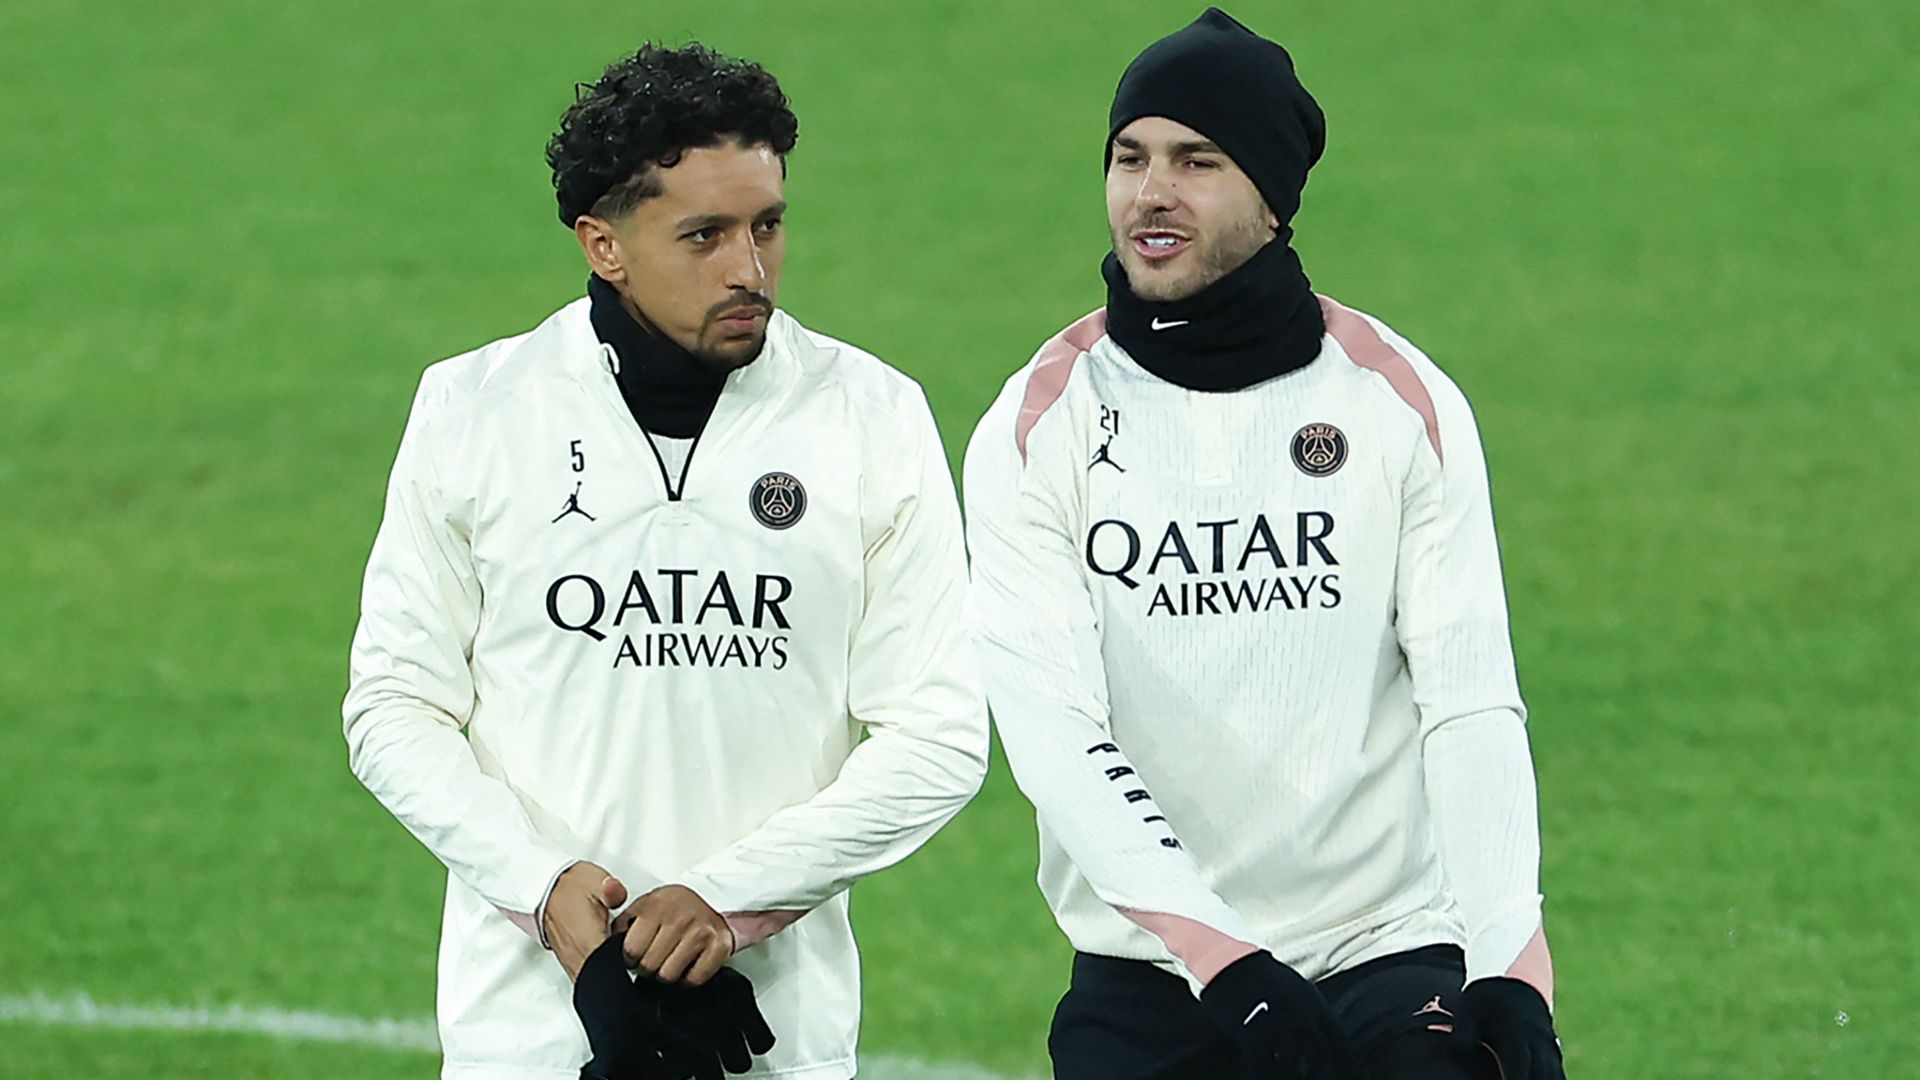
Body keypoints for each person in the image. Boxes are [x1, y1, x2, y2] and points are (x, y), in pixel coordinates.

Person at [343, 41, 988, 1080]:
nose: (750, 270)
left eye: (767, 225)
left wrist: (727, 902)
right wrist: (547, 891)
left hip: (774, 1038)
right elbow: (392, 707)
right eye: (704, 236)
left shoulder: (871, 416)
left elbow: (939, 737)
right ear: (604, 244)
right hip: (528, 1041)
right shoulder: (475, 412)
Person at [964, 10, 1564, 1079]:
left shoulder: (1400, 403)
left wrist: (1513, 968)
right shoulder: (1035, 425)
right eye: (1130, 157)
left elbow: (1470, 703)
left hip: (1385, 952)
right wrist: (1223, 959)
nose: (1152, 193)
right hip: (1155, 970)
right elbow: (1055, 735)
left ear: (1274, 199)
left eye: (1197, 161)